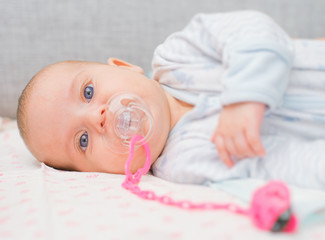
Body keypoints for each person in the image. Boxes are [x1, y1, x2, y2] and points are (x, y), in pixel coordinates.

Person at [17, 10, 325, 189]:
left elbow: (254, 28)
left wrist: (246, 97)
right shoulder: (181, 163)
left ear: (124, 66)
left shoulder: (177, 56)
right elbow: (272, 166)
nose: (96, 117)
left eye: (87, 92)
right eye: (83, 140)